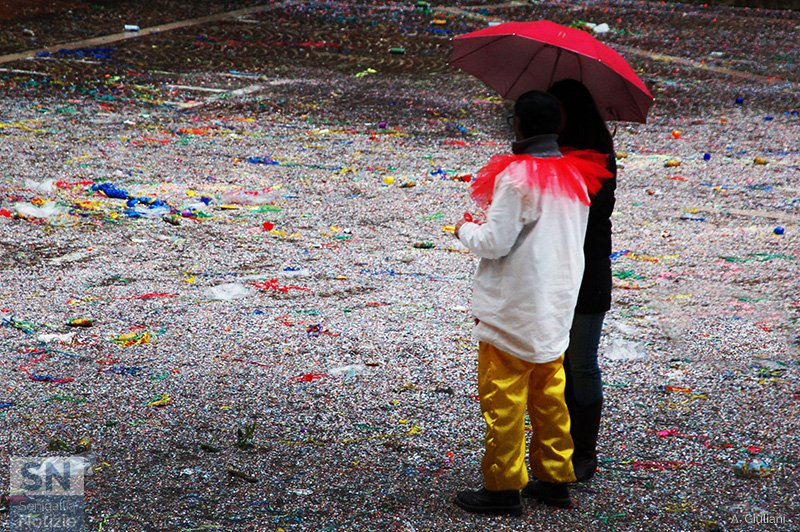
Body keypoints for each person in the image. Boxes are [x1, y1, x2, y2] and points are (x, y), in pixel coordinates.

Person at [452, 90, 611, 515]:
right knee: (550, 398)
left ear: (519, 125)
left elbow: (494, 243)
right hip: (555, 306)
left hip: (513, 309)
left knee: (504, 401)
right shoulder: (576, 175)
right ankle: (555, 478)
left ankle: (503, 487)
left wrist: (464, 229)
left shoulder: (517, 177)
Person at [547, 79, 617, 482]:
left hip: (588, 271)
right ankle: (562, 447)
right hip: (558, 270)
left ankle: (584, 451)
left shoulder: (597, 161)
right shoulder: (556, 153)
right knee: (560, 362)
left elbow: (585, 212)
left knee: (581, 362)